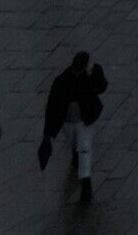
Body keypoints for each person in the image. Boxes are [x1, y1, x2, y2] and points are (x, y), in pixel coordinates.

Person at [36, 51, 107, 208]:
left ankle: (85, 183)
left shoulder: (91, 74)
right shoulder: (61, 82)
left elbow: (102, 87)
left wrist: (93, 73)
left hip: (84, 121)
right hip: (68, 123)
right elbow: (52, 109)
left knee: (84, 149)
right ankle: (77, 158)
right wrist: (48, 134)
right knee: (75, 145)